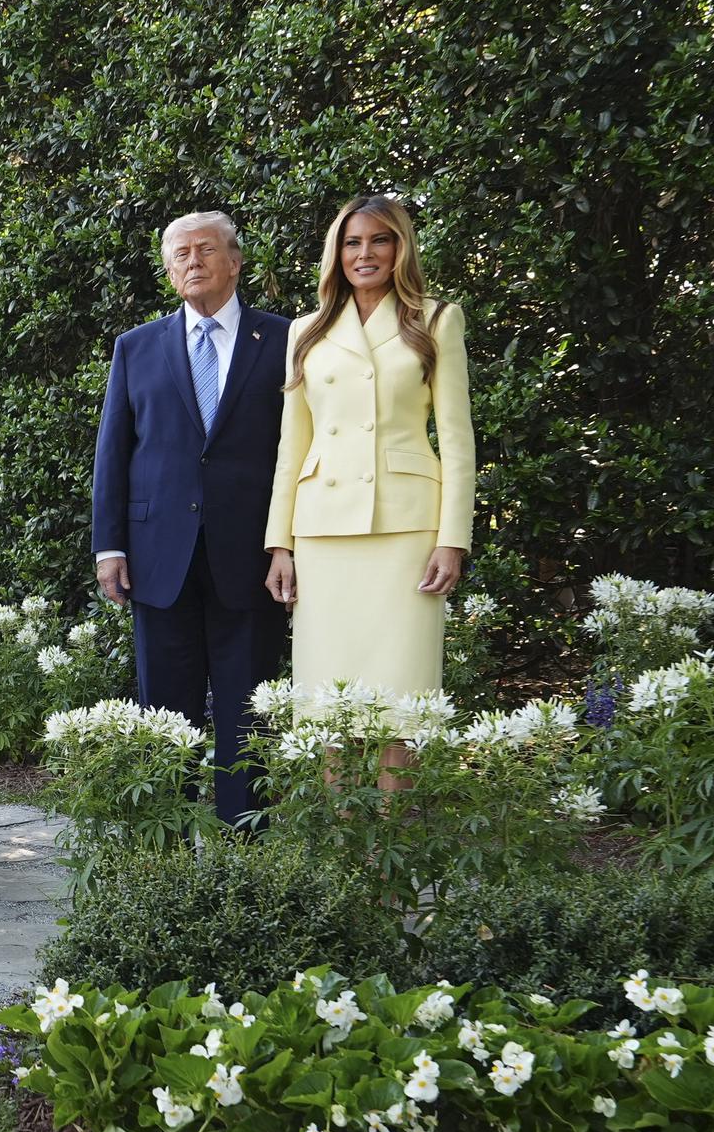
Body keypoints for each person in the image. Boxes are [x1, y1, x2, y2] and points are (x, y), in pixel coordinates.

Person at [92, 211, 292, 824]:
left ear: (235, 260)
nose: (192, 261)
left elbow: (299, 447)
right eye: (179, 254)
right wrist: (109, 547)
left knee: (247, 711)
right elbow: (113, 450)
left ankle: (244, 851)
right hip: (158, 557)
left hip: (251, 555)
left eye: (206, 249)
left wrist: (289, 543)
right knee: (165, 712)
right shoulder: (136, 347)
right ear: (169, 268)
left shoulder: (285, 340)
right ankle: (168, 852)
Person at [263, 195, 475, 703]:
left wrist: (453, 539)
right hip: (322, 531)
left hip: (406, 528)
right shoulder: (304, 331)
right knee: (326, 699)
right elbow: (292, 447)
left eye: (380, 239)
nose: (365, 253)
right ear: (336, 254)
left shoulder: (437, 319)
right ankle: (333, 789)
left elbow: (456, 438)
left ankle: (395, 788)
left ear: (400, 248)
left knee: (403, 693)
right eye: (352, 242)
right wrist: (280, 545)